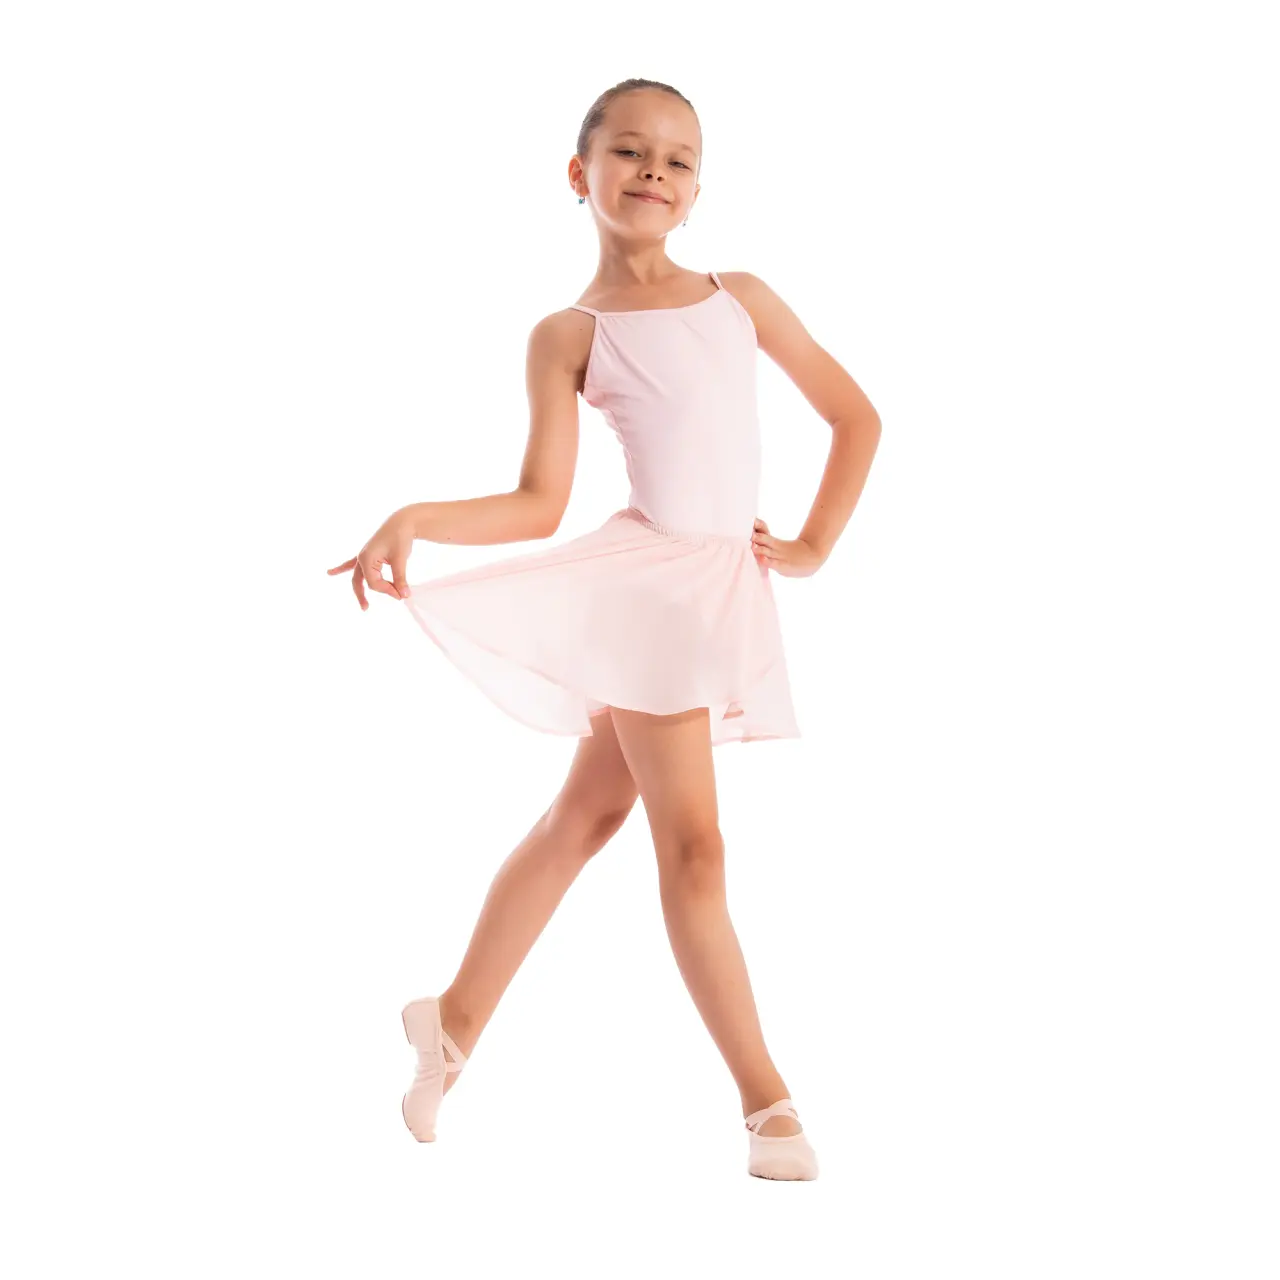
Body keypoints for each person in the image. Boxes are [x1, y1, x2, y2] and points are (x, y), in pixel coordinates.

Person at [327, 77, 881, 1180]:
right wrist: (417, 516)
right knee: (695, 846)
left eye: (678, 159)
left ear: (696, 192)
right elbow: (537, 501)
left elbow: (854, 414)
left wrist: (815, 543)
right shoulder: (567, 334)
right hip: (653, 598)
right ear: (579, 174)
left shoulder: (741, 298)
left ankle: (450, 1019)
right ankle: (766, 1102)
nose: (653, 172)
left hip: (718, 587)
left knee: (583, 816)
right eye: (629, 152)